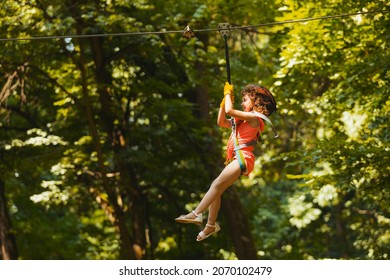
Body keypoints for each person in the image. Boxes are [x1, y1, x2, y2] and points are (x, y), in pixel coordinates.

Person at [175, 82, 277, 241]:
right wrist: (223, 103)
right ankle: (210, 226)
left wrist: (228, 95)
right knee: (217, 190)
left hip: (243, 157)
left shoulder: (253, 118)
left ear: (255, 101)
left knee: (215, 185)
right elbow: (221, 122)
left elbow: (231, 110)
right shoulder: (241, 121)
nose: (242, 103)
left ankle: (197, 213)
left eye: (245, 100)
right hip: (237, 158)